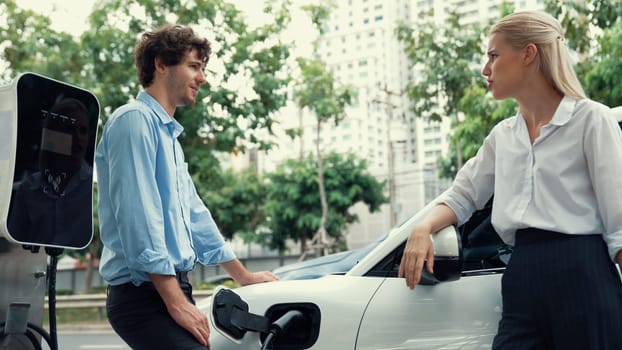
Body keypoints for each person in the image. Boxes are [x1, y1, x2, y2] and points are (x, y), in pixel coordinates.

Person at [399, 10, 622, 349]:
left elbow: (619, 226)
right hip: (522, 275)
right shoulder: (503, 136)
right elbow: (463, 195)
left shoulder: (592, 120)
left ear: (528, 54)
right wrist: (421, 228)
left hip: (584, 272)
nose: (485, 69)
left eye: (493, 55)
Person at [96, 24, 278, 350]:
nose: (202, 77)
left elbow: (195, 215)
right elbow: (140, 219)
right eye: (194, 66)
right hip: (144, 297)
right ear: (161, 64)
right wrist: (176, 302)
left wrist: (242, 275)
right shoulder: (133, 121)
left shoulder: (170, 139)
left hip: (169, 289)